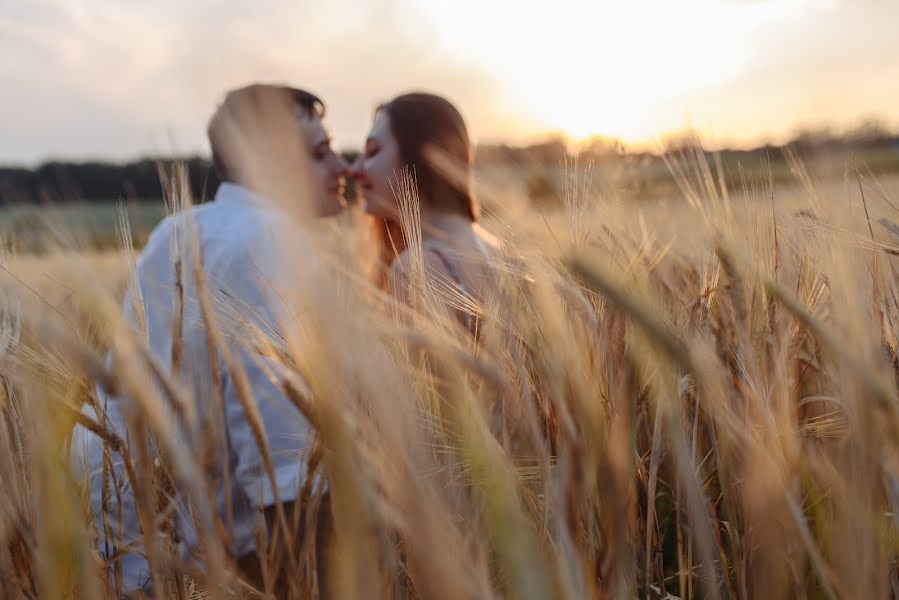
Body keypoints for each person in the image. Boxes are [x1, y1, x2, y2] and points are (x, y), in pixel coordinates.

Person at [72, 83, 347, 597]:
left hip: (129, 537)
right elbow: (277, 442)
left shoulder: (179, 227)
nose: (342, 166)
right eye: (319, 151)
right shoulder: (267, 239)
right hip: (196, 554)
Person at [352, 92, 500, 335]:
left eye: (373, 150)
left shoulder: (417, 269)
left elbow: (417, 374)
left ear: (424, 156)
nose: (354, 168)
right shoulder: (511, 258)